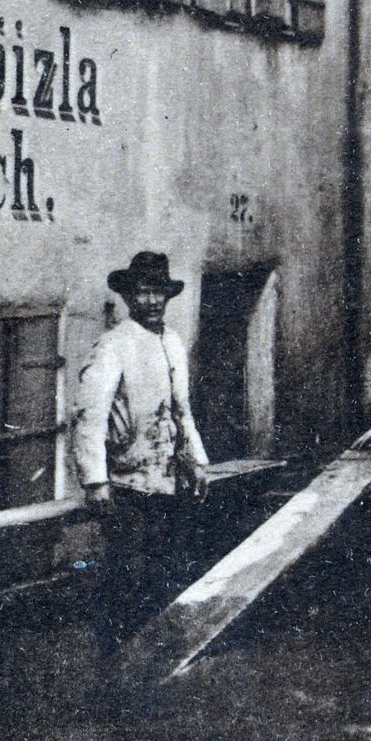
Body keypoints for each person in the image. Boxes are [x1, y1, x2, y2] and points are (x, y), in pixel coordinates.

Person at [72, 250, 210, 649]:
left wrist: (198, 461)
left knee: (164, 572)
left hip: (167, 480)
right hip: (127, 484)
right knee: (124, 575)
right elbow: (89, 416)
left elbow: (182, 411)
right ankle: (113, 659)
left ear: (167, 296)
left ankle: (155, 659)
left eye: (158, 292)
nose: (151, 301)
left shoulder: (173, 342)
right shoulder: (113, 345)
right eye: (143, 292)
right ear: (129, 297)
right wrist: (95, 482)